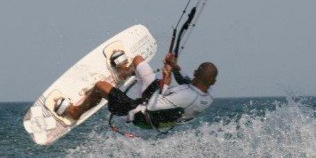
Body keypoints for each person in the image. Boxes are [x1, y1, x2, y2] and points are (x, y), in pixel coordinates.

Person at [54, 51, 217, 129]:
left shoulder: (186, 95)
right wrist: (174, 67)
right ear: (213, 82)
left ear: (196, 73)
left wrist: (166, 81)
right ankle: (124, 72)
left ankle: (75, 112)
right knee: (138, 60)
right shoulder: (206, 97)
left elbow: (153, 105)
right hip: (159, 104)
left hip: (144, 115)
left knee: (100, 86)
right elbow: (185, 81)